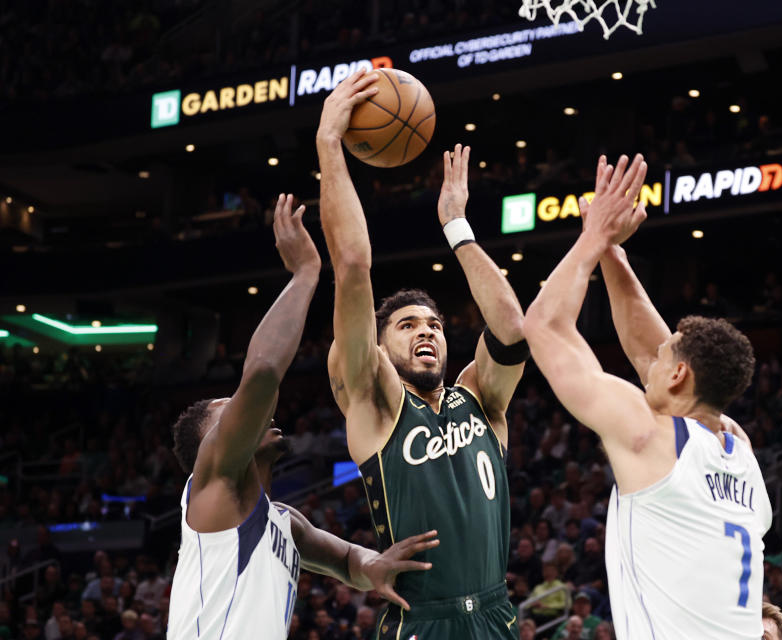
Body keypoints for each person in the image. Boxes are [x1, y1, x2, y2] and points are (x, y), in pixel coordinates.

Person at [166, 195, 437, 639]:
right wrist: (305, 274)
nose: (243, 414)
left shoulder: (285, 521)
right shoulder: (212, 486)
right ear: (210, 448)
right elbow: (262, 375)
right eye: (228, 413)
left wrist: (376, 566)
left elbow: (348, 562)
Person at [317, 72, 528, 639]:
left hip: (496, 613)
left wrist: (457, 227)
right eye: (407, 326)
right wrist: (329, 147)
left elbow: (512, 329)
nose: (425, 332)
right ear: (380, 346)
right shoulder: (376, 402)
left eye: (434, 324)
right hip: (422, 624)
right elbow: (354, 267)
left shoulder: (480, 400)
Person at [524, 153, 770, 639]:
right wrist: (614, 254)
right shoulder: (738, 449)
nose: (646, 365)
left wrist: (592, 236)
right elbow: (648, 351)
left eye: (664, 361)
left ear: (678, 375)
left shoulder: (650, 437)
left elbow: (544, 326)